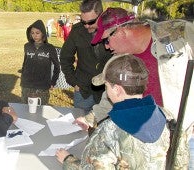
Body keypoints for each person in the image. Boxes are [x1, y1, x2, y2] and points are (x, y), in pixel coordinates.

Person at [77, 7, 194, 168]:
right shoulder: (122, 58)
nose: (107, 47)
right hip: (146, 142)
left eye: (106, 40)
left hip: (184, 135)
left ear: (121, 31)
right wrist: (91, 118)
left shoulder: (178, 32)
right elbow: (112, 95)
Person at [56, 54, 170, 169]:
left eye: (106, 86)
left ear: (116, 89)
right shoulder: (167, 117)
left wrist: (68, 160)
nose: (106, 91)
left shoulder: (109, 130)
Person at [60, 0, 112, 112]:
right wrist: (73, 81)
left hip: (107, 92)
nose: (87, 26)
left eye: (91, 22)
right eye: (84, 22)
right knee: (81, 126)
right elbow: (65, 57)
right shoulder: (77, 31)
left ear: (101, 15)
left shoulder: (112, 31)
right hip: (83, 90)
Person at [20, 19, 60, 105]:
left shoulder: (50, 48)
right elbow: (25, 62)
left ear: (43, 33)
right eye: (32, 33)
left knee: (40, 110)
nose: (35, 35)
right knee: (25, 109)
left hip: (42, 86)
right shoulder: (27, 46)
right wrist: (23, 76)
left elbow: (57, 66)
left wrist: (53, 82)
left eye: (37, 33)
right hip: (27, 85)